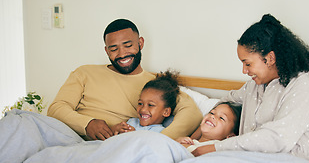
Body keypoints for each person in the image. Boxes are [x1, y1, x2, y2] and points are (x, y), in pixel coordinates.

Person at [191, 14, 309, 163]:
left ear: (270, 58)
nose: (244, 70)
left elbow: (277, 138)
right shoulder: (253, 87)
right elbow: (223, 103)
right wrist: (195, 140)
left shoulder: (303, 84)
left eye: (247, 64)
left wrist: (214, 148)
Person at [47, 19, 202, 141]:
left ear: (140, 43)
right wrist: (87, 124)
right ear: (106, 50)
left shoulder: (155, 85)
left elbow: (192, 113)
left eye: (128, 45)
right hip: (64, 135)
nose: (122, 54)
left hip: (105, 145)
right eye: (114, 49)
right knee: (24, 120)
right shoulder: (84, 73)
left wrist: (157, 140)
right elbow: (56, 108)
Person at [111, 70, 180, 134]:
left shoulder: (159, 132)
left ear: (166, 112)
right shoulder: (131, 122)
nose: (143, 109)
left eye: (150, 105)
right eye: (140, 103)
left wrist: (133, 135)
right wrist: (115, 129)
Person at [177, 102, 241, 153]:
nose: (212, 116)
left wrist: (180, 145)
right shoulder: (190, 141)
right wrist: (177, 141)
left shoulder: (217, 147)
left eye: (221, 118)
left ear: (230, 137)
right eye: (212, 113)